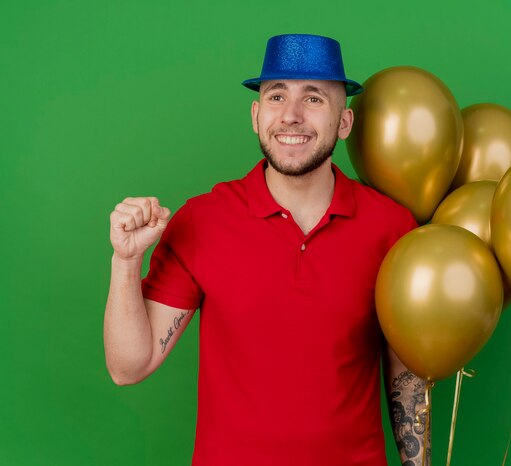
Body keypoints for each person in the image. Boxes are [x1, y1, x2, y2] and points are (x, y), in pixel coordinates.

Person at [104, 34, 430, 466]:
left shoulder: (390, 227)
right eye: (277, 96)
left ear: (345, 122)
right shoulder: (203, 221)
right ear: (256, 116)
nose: (291, 116)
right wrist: (126, 262)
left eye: (313, 98)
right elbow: (129, 367)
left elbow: (403, 374)